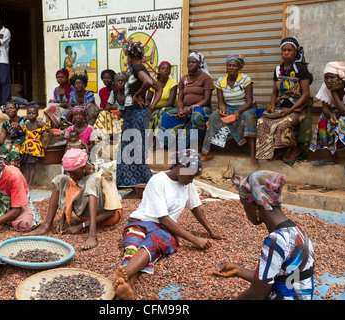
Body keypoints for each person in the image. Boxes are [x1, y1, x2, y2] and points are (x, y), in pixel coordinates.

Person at [113, 149, 227, 300]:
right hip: (141, 223)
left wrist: (212, 231)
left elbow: (196, 208)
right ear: (179, 166)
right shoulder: (158, 181)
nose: (191, 180)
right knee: (134, 247)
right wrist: (194, 239)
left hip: (163, 230)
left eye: (193, 177)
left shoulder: (187, 184)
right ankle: (127, 284)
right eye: (190, 176)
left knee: (153, 243)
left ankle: (124, 279)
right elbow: (164, 219)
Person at [213, 170, 315, 300]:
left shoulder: (275, 241)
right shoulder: (299, 232)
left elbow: (256, 295)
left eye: (244, 206)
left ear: (256, 204)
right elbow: (284, 279)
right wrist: (240, 271)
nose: (245, 212)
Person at [26, 148, 123, 251]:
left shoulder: (103, 174)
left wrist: (81, 226)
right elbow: (72, 193)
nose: (71, 176)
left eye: (74, 173)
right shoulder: (77, 174)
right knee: (60, 179)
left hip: (106, 217)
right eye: (69, 173)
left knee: (91, 183)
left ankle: (92, 235)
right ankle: (46, 226)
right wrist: (63, 217)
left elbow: (111, 213)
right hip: (85, 214)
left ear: (84, 167)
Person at [256, 37, 312, 165]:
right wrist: (271, 106)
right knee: (262, 122)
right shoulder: (278, 70)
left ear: (295, 52)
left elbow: (306, 94)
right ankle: (273, 150)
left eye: (289, 50)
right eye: (283, 50)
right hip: (281, 108)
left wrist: (290, 110)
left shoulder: (301, 68)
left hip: (298, 108)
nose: (286, 53)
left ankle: (295, 148)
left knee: (283, 124)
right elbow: (274, 92)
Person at [309, 61, 345, 177]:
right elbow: (325, 108)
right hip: (341, 110)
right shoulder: (325, 86)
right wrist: (331, 115)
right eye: (326, 78)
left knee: (344, 122)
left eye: (332, 77)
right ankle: (332, 156)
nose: (328, 81)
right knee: (323, 118)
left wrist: (334, 93)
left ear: (340, 78)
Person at [116, 41, 163, 187]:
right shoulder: (140, 68)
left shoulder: (137, 68)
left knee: (131, 147)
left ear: (129, 55)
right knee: (135, 147)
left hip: (135, 113)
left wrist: (137, 95)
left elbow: (148, 82)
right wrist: (151, 108)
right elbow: (159, 88)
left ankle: (137, 183)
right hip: (137, 113)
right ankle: (138, 183)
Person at [201, 55, 258, 164]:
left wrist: (239, 111)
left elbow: (249, 101)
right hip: (230, 108)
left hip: (246, 107)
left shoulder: (246, 80)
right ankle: (207, 151)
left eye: (234, 66)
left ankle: (252, 155)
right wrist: (222, 108)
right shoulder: (220, 81)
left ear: (239, 67)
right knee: (214, 116)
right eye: (229, 65)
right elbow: (221, 102)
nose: (231, 68)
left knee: (248, 117)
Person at [160, 52, 214, 149]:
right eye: (189, 62)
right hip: (186, 108)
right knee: (167, 115)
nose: (190, 64)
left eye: (193, 62)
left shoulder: (206, 78)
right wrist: (181, 109)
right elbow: (180, 98)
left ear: (199, 64)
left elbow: (206, 100)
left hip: (202, 108)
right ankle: (172, 145)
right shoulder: (184, 78)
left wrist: (189, 109)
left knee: (196, 117)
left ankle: (197, 145)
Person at [0, 101, 27, 168]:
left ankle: (13, 172)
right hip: (12, 144)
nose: (10, 110)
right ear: (5, 111)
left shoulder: (24, 120)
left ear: (16, 109)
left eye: (12, 108)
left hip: (24, 143)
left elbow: (30, 133)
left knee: (13, 153)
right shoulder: (6, 123)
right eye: (7, 109)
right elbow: (1, 140)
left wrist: (20, 127)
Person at [20, 106, 53, 187]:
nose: (31, 115)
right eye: (29, 113)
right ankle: (27, 183)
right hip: (27, 148)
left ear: (37, 114)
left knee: (32, 166)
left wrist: (46, 144)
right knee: (28, 166)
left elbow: (50, 132)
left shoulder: (39, 124)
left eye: (33, 113)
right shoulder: (27, 124)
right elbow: (26, 134)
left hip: (34, 149)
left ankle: (30, 184)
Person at [93, 72, 126, 149]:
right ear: (115, 83)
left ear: (126, 83)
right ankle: (97, 135)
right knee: (103, 113)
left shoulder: (129, 93)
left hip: (126, 118)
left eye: (122, 81)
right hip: (116, 117)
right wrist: (112, 107)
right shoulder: (113, 93)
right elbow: (106, 108)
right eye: (118, 81)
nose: (120, 83)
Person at [146, 61, 178, 138]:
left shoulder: (173, 83)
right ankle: (148, 138)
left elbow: (170, 103)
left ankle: (156, 139)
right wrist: (148, 106)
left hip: (170, 108)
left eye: (168, 69)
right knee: (148, 115)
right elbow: (148, 99)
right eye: (163, 68)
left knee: (160, 114)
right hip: (155, 108)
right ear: (159, 70)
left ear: (170, 72)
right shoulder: (153, 83)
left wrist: (154, 107)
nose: (166, 70)